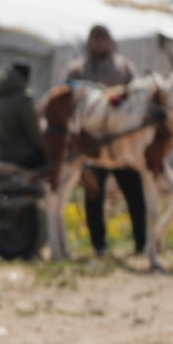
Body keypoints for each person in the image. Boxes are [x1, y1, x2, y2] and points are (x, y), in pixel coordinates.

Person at [64, 24, 147, 256]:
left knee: (134, 193)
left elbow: (138, 98)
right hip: (92, 146)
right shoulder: (77, 71)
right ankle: (99, 246)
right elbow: (66, 103)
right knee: (93, 195)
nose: (100, 43)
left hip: (122, 144)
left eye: (104, 38)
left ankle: (142, 243)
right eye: (96, 38)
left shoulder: (123, 69)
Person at [0, 61, 46, 169]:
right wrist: (43, 147)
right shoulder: (24, 98)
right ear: (25, 78)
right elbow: (32, 132)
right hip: (19, 157)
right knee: (49, 160)